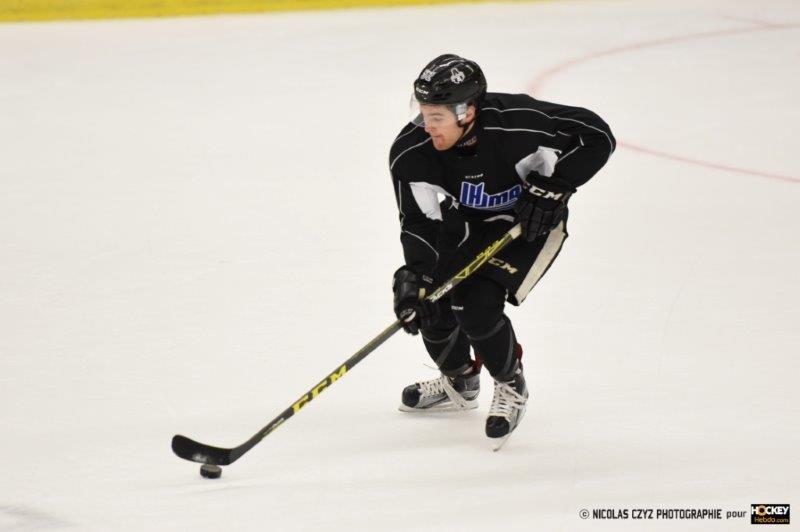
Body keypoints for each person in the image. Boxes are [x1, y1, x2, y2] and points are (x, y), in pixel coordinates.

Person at [389, 54, 615, 450]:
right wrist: (416, 277)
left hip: (529, 224)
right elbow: (419, 223)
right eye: (422, 113)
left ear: (468, 111)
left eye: (437, 117)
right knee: (432, 298)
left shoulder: (520, 121)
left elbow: (597, 136)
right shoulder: (412, 153)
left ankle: (512, 385)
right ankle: (460, 381)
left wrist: (556, 187)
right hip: (467, 224)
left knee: (476, 306)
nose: (427, 126)